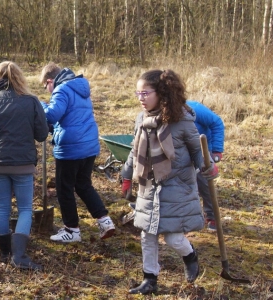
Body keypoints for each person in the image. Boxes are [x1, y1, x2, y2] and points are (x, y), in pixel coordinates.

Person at [121, 69, 218, 295]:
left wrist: (209, 166)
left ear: (162, 93)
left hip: (177, 189)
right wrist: (127, 175)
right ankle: (150, 279)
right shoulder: (141, 119)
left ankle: (190, 255)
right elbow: (135, 152)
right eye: (138, 93)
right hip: (148, 186)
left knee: (173, 238)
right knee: (147, 235)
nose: (141, 98)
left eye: (145, 93)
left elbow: (198, 153)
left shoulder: (182, 122)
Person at [39, 62, 115, 243]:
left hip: (70, 148)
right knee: (83, 185)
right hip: (89, 146)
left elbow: (51, 115)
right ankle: (105, 221)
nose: (47, 90)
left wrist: (41, 105)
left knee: (64, 188)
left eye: (45, 86)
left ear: (50, 81)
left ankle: (71, 230)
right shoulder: (80, 89)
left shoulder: (61, 90)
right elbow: (71, 116)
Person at [0, 61, 49, 270]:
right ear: (20, 78)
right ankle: (19, 256)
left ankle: (4, 253)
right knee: (25, 209)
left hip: (0, 164)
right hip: (23, 164)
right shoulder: (31, 102)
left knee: (3, 206)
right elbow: (42, 134)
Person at [187, 100, 225, 232]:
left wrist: (216, 150)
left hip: (203, 148)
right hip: (184, 149)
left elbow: (217, 122)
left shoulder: (196, 109)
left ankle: (213, 216)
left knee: (204, 182)